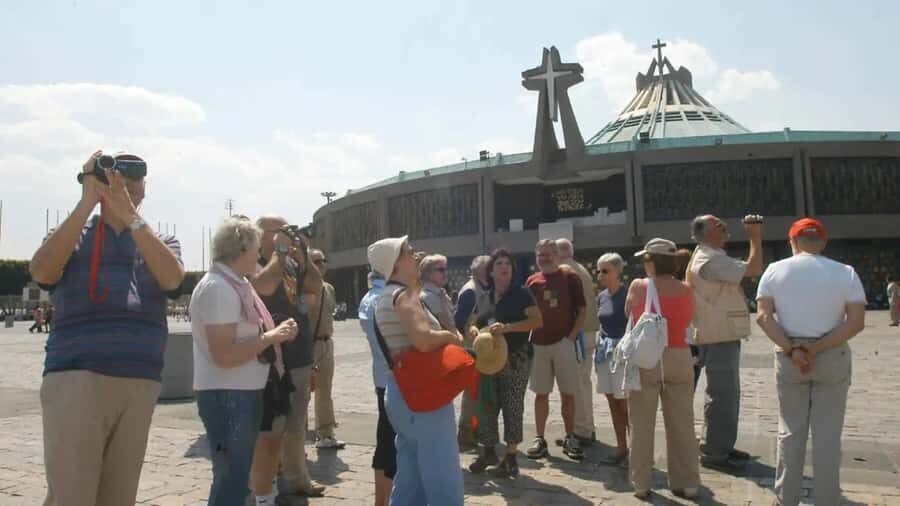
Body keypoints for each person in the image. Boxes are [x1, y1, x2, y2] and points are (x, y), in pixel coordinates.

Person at [29, 150, 184, 505]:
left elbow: (173, 280)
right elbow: (42, 272)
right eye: (114, 179)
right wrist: (88, 203)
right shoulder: (71, 234)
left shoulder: (162, 241)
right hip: (77, 375)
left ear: (145, 189)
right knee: (72, 494)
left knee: (120, 495)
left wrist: (129, 217)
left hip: (139, 380)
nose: (124, 186)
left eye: (134, 182)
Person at [756, 218, 866, 506]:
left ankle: (786, 498)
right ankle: (828, 498)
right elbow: (856, 323)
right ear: (823, 242)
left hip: (790, 355)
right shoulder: (846, 273)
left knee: (790, 432)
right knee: (828, 435)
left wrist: (793, 349)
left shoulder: (774, 270)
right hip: (831, 355)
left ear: (791, 241)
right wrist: (816, 348)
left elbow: (763, 316)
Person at [190, 218, 299, 505]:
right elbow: (224, 354)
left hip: (237, 393)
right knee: (231, 479)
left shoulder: (234, 284)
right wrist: (270, 337)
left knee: (236, 479)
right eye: (254, 249)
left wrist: (272, 334)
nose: (257, 255)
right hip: (228, 395)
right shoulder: (219, 289)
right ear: (240, 249)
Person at [370, 236, 466, 505]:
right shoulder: (404, 295)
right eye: (409, 252)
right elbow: (423, 340)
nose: (415, 256)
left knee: (410, 481)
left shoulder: (383, 296)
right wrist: (450, 337)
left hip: (400, 393)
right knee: (444, 478)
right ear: (395, 263)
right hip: (424, 397)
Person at [249, 215, 326, 502]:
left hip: (299, 354)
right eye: (278, 231)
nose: (285, 235)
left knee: (296, 423)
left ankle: (297, 478)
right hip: (269, 359)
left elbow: (315, 285)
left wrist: (303, 255)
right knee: (270, 425)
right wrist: (280, 254)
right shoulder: (252, 262)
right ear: (261, 236)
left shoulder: (293, 263)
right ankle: (264, 483)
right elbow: (263, 287)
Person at [625, 238, 700, 499]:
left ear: (651, 262)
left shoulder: (639, 286)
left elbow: (630, 315)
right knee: (682, 425)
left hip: (649, 358)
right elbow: (690, 319)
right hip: (679, 355)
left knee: (641, 423)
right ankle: (688, 482)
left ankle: (641, 483)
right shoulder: (687, 289)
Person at [687, 214, 763, 471]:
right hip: (718, 335)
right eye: (720, 226)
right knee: (722, 394)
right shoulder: (712, 258)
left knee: (726, 394)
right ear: (707, 232)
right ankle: (715, 452)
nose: (726, 229)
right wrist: (755, 237)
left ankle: (720, 444)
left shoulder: (707, 254)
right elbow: (753, 269)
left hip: (718, 332)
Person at [467, 249, 543, 477]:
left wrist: (509, 327)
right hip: (489, 359)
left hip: (516, 358)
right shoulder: (486, 296)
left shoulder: (522, 293)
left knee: (512, 405)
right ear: (491, 271)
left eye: (507, 263)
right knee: (488, 404)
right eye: (499, 263)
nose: (504, 267)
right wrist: (473, 329)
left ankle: (510, 457)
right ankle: (488, 451)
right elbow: (473, 319)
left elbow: (537, 321)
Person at [525, 239, 586, 461]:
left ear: (557, 255)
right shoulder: (532, 281)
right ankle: (540, 438)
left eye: (548, 254)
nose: (544, 258)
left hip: (563, 343)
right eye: (540, 254)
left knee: (568, 393)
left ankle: (570, 437)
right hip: (539, 344)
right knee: (541, 393)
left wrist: (570, 338)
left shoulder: (570, 278)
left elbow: (582, 310)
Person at [556, 239, 599, 446]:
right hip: (588, 332)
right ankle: (586, 427)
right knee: (584, 383)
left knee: (576, 385)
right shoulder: (582, 268)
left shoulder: (564, 271)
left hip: (576, 336)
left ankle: (581, 430)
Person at [359, 271, 396, 506]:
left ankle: (382, 500)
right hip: (394, 379)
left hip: (383, 378)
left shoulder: (370, 296)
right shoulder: (385, 297)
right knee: (390, 443)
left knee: (385, 440)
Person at [594, 252, 630, 466]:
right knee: (612, 402)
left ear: (618, 272)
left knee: (624, 403)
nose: (600, 274)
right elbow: (602, 323)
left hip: (623, 354)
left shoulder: (628, 295)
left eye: (605, 270)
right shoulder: (602, 296)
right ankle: (621, 446)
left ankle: (636, 447)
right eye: (598, 270)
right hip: (604, 353)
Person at [307, 248, 345, 449]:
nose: (320, 265)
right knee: (303, 393)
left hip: (326, 342)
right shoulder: (302, 287)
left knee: (325, 391)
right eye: (315, 261)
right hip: (308, 345)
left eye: (323, 261)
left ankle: (326, 434)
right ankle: (299, 437)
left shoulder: (329, 288)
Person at [452, 254, 491, 447]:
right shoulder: (470, 291)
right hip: (471, 348)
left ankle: (475, 428)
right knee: (472, 390)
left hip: (480, 347)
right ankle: (466, 430)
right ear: (482, 271)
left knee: (478, 391)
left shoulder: (482, 288)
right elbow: (458, 321)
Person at [675, 248, 703, 390]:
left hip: (672, 345)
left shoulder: (667, 288)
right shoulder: (695, 289)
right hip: (692, 345)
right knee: (689, 389)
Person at [419, 254, 457, 332]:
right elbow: (445, 325)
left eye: (446, 269)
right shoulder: (428, 297)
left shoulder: (441, 293)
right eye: (441, 270)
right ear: (428, 273)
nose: (445, 273)